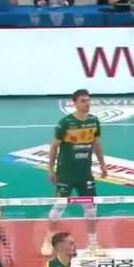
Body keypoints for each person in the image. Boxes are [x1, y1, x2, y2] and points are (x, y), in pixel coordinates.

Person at [44, 89, 107, 257]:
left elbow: (96, 144)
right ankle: (47, 241)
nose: (87, 104)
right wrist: (50, 169)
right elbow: (54, 147)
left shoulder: (93, 121)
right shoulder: (65, 123)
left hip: (85, 174)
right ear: (75, 103)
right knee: (59, 206)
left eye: (88, 100)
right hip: (66, 174)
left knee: (91, 209)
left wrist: (102, 165)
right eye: (83, 101)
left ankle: (92, 244)